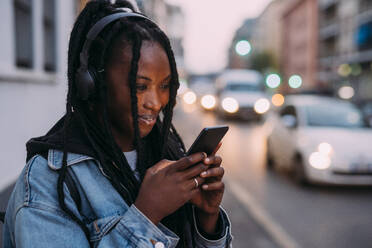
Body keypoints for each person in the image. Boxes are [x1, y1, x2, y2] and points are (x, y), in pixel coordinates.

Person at [2, 0, 232, 247]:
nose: (156, 103)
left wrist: (207, 220)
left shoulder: (166, 155)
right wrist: (148, 213)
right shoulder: (48, 182)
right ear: (90, 83)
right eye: (140, 86)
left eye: (165, 86)